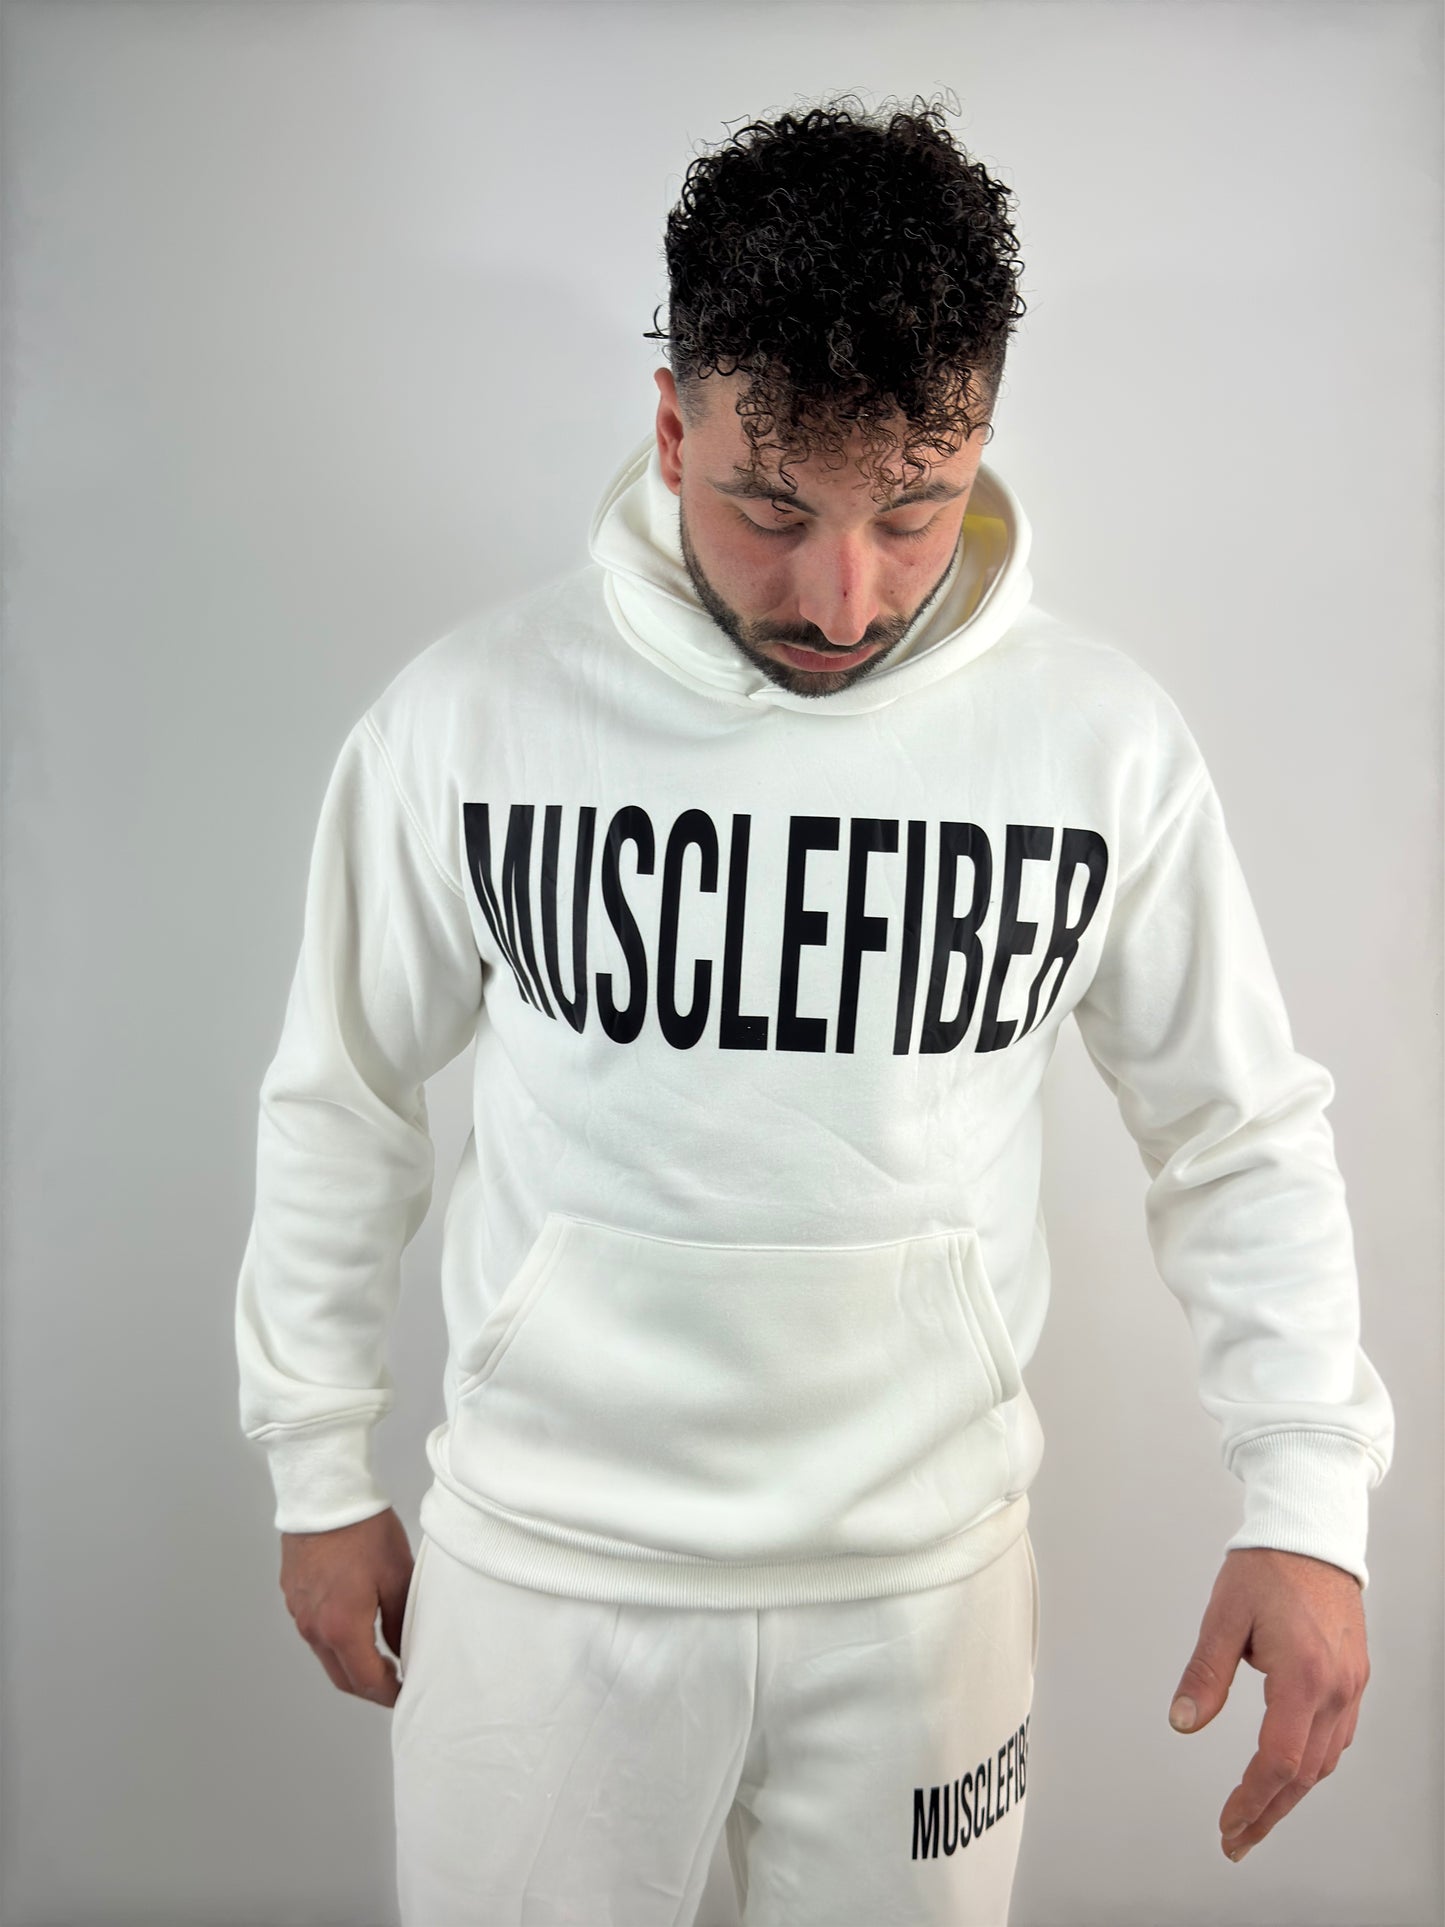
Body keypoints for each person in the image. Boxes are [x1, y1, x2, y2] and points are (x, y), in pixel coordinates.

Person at [234, 93, 1394, 1926]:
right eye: (769, 509)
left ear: (979, 442)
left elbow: (1232, 1130)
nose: (842, 601)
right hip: (546, 1580)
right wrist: (315, 1469)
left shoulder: (1096, 747)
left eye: (911, 511)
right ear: (671, 426)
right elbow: (343, 1095)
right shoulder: (469, 719)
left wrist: (1307, 1504)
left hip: (923, 1599)